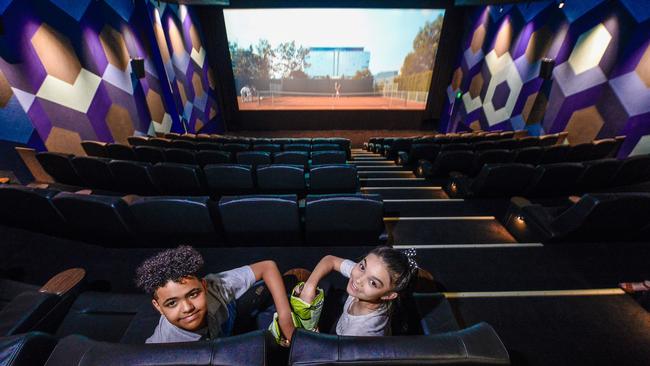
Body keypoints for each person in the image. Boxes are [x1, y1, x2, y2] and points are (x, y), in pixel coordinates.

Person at [135, 245, 296, 344]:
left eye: (193, 294)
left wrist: (285, 316)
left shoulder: (215, 285)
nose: (187, 308)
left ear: (204, 286)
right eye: (172, 303)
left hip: (228, 317)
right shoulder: (163, 344)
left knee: (288, 281)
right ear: (158, 307)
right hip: (213, 345)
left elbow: (267, 266)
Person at [295, 246, 418, 336]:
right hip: (341, 323)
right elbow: (330, 260)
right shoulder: (362, 276)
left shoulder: (361, 332)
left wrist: (315, 337)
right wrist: (309, 286)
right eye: (363, 266)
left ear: (389, 295)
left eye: (373, 282)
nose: (358, 280)